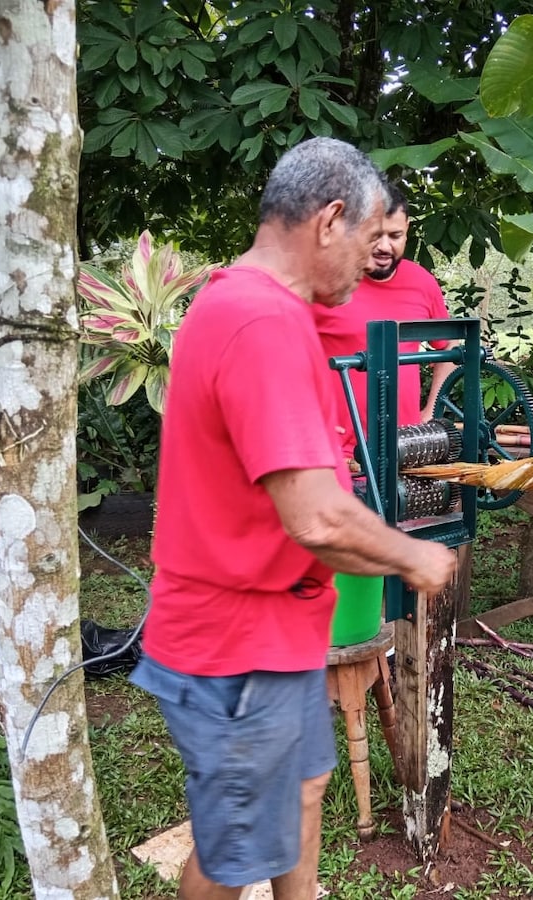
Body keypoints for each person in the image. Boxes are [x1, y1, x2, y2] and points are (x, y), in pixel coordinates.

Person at [129, 137, 458, 900]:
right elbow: (316, 517)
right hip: (235, 641)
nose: (375, 258)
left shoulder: (252, 304)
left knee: (303, 790)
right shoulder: (261, 320)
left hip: (275, 631)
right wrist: (414, 556)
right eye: (369, 236)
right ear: (329, 221)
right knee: (236, 845)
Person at [312, 181, 455, 459]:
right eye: (374, 235)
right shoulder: (320, 283)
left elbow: (448, 348)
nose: (384, 246)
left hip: (405, 450)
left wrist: (431, 410)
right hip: (336, 455)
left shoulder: (421, 282)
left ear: (407, 229)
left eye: (395, 235)